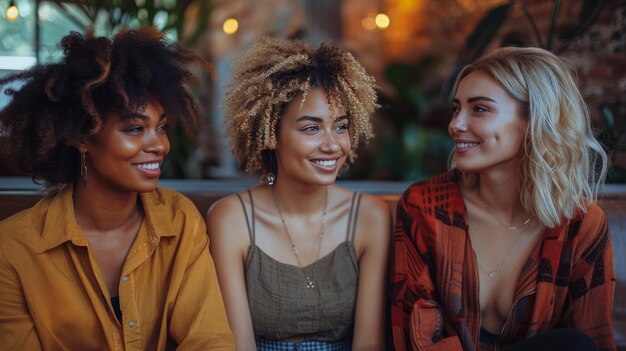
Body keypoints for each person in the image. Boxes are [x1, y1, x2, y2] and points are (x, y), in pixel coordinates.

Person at [0, 27, 234, 349]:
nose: (159, 146)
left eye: (162, 127)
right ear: (81, 138)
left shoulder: (180, 220)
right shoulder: (12, 249)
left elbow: (210, 340)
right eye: (136, 128)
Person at [391, 47, 616, 351]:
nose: (455, 124)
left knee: (574, 344)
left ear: (533, 120)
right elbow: (415, 338)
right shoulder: (425, 206)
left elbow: (595, 339)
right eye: (456, 108)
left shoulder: (580, 225)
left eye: (479, 109)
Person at [207, 37, 391, 350]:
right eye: (311, 128)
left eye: (341, 126)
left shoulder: (370, 217)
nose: (333, 145)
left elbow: (368, 345)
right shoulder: (232, 219)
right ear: (271, 134)